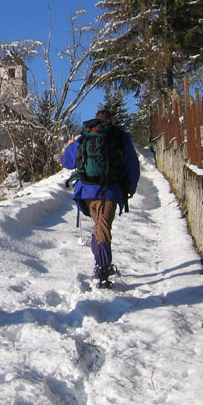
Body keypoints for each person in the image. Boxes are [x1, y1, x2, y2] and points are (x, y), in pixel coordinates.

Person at [61, 109, 140, 289]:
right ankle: (102, 270)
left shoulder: (86, 135)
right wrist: (130, 188)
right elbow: (132, 164)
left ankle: (103, 264)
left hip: (87, 191)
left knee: (99, 227)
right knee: (103, 228)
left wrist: (71, 145)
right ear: (111, 121)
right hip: (109, 190)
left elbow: (67, 162)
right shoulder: (119, 136)